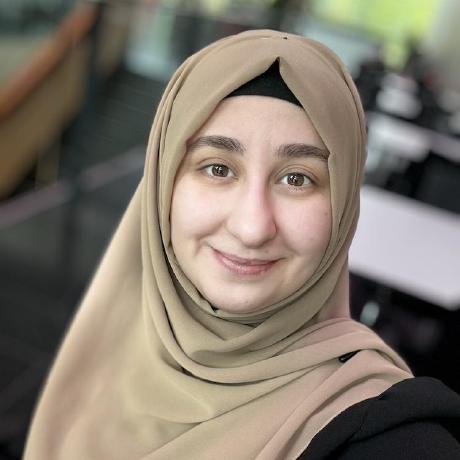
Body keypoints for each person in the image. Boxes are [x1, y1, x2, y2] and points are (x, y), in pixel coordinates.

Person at [24, 29, 460, 460]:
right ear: (162, 183)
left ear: (345, 203)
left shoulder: (387, 438)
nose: (252, 227)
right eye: (218, 169)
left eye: (297, 178)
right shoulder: (102, 351)